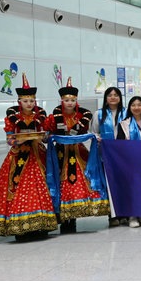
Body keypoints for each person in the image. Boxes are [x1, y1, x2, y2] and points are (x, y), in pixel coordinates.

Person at [0, 74, 57, 241]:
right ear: (19, 102)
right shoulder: (13, 118)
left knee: (42, 188)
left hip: (38, 156)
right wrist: (17, 140)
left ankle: (42, 224)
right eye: (26, 101)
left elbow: (45, 137)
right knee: (17, 189)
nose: (29, 104)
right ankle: (19, 226)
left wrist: (44, 137)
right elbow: (10, 139)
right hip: (19, 158)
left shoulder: (40, 117)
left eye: (32, 101)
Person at [43, 77, 110, 233]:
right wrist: (47, 137)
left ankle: (73, 215)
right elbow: (47, 134)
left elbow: (84, 132)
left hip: (78, 152)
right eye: (67, 100)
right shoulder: (53, 117)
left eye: (73, 100)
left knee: (79, 182)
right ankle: (63, 216)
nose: (70, 103)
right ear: (62, 101)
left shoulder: (82, 116)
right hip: (60, 154)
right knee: (60, 183)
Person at [116, 95, 141, 228]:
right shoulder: (124, 124)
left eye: (139, 105)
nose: (136, 107)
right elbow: (120, 144)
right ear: (129, 107)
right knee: (132, 188)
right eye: (133, 105)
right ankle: (132, 215)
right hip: (130, 162)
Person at [91, 86, 125, 227]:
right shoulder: (99, 114)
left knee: (123, 183)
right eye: (110, 95)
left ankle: (124, 214)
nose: (113, 97)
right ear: (105, 98)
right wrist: (98, 138)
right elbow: (94, 132)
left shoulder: (126, 112)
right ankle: (112, 215)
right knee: (109, 184)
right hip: (106, 154)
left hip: (124, 154)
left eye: (116, 95)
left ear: (120, 98)